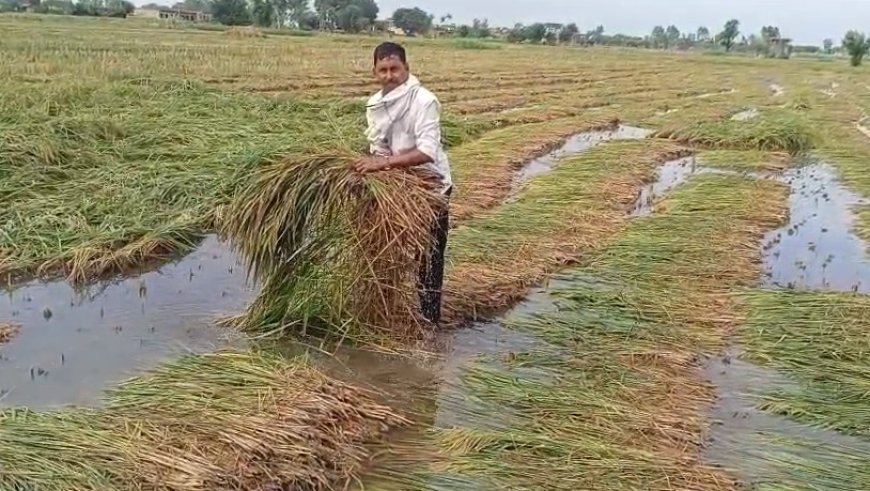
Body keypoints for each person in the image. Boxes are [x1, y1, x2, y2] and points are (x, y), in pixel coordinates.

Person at [353, 41, 453, 327]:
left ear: (406, 69)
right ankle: (382, 307)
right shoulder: (375, 104)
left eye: (394, 68)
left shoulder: (424, 101)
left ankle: (429, 321)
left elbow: (427, 151)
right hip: (398, 182)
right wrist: (373, 168)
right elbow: (379, 147)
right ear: (374, 72)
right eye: (382, 70)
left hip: (432, 186)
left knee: (429, 256)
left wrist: (382, 164)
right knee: (383, 246)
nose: (388, 75)